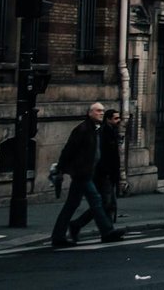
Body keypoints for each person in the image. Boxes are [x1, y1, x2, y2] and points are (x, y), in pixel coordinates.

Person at [52, 102, 122, 247]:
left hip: (86, 172)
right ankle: (107, 231)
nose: (101, 113)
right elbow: (69, 150)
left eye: (102, 111)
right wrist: (60, 168)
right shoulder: (83, 129)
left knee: (72, 204)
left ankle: (59, 235)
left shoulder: (95, 130)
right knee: (96, 201)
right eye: (98, 111)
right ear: (90, 113)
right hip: (82, 172)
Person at [95, 109, 123, 222]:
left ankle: (108, 222)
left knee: (110, 198)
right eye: (116, 118)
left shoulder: (112, 131)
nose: (119, 120)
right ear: (108, 119)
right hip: (106, 171)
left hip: (111, 171)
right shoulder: (104, 133)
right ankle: (106, 223)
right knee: (107, 199)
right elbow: (105, 154)